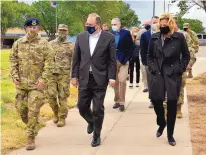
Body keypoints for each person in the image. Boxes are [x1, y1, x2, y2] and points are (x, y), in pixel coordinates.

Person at [71, 13, 116, 147]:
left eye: (90, 25)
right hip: (84, 77)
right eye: (87, 24)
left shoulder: (109, 38)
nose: (87, 26)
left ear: (98, 25)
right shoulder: (81, 37)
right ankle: (91, 121)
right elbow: (76, 58)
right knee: (81, 106)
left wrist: (111, 77)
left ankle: (96, 135)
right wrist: (74, 76)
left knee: (97, 109)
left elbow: (111, 60)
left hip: (100, 78)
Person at [10, 18, 53, 150]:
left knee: (32, 112)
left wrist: (43, 79)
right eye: (30, 27)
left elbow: (49, 63)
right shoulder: (18, 43)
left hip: (37, 85)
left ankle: (30, 138)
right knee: (21, 110)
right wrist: (14, 76)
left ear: (38, 28)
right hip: (22, 84)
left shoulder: (44, 44)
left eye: (35, 27)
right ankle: (33, 125)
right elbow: (13, 60)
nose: (33, 29)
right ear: (26, 28)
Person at [147, 13, 190, 146]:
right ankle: (161, 122)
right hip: (157, 72)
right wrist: (153, 67)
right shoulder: (154, 37)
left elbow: (186, 55)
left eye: (166, 23)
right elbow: (149, 56)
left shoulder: (179, 37)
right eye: (161, 23)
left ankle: (170, 134)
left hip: (172, 74)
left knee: (172, 104)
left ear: (171, 24)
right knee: (155, 99)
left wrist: (179, 69)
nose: (163, 25)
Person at [47, 24, 74, 127]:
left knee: (63, 97)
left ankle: (62, 117)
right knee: (51, 96)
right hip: (51, 74)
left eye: (64, 30)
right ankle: (56, 112)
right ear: (57, 31)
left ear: (67, 32)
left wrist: (74, 75)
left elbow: (75, 61)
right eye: (60, 30)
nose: (62, 32)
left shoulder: (71, 45)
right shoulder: (50, 44)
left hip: (64, 75)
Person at [111, 18, 133, 112]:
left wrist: (127, 58)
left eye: (115, 24)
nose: (113, 26)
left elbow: (131, 47)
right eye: (112, 24)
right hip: (113, 60)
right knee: (115, 81)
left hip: (123, 60)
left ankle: (122, 102)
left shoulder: (126, 33)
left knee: (122, 80)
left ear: (119, 25)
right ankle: (116, 100)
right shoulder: (109, 34)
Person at [140, 16, 159, 108]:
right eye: (153, 22)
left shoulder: (163, 34)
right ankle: (152, 100)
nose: (155, 24)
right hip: (149, 62)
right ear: (150, 23)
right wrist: (145, 62)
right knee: (151, 82)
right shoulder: (145, 35)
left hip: (161, 62)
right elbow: (142, 50)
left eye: (156, 22)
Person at [136, 20, 151, 92]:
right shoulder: (141, 31)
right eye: (145, 24)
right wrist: (142, 43)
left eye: (148, 24)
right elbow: (137, 40)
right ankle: (146, 86)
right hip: (143, 52)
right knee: (144, 70)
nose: (147, 25)